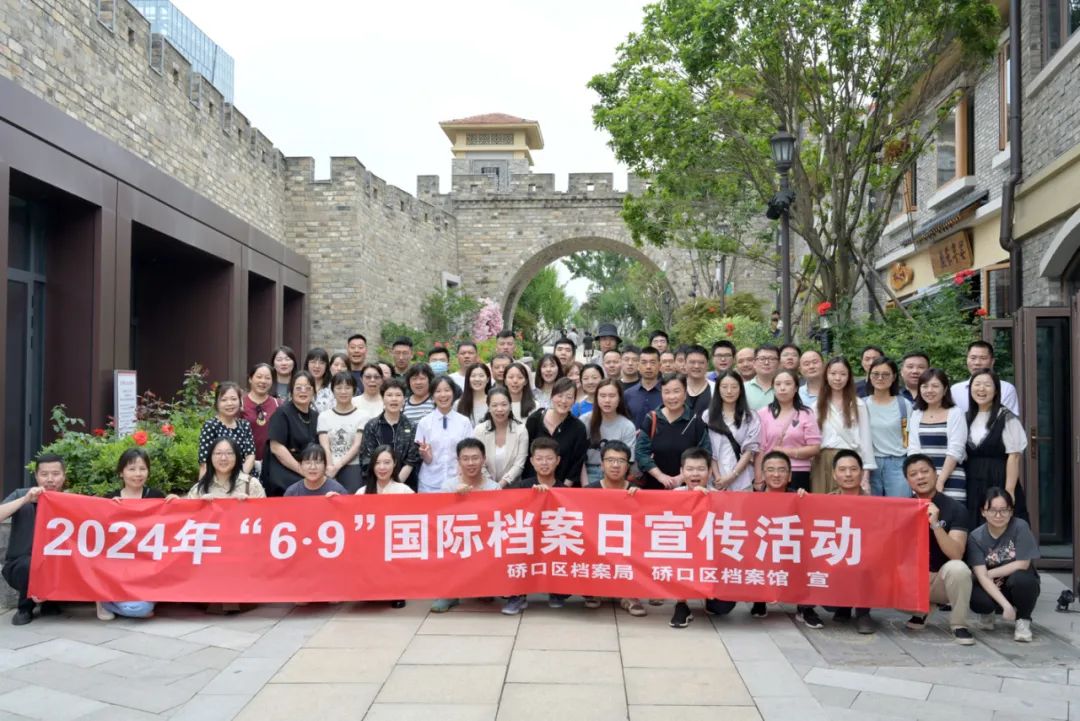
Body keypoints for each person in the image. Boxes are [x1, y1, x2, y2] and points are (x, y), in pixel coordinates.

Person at [903, 454, 975, 645]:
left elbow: (956, 553)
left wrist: (935, 524)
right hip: (915, 578)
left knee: (958, 568)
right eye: (913, 474)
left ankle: (959, 625)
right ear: (907, 481)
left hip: (942, 580)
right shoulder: (902, 509)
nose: (920, 477)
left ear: (935, 474)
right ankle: (922, 609)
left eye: (924, 471)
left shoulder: (955, 508)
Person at [670, 447, 738, 628]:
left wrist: (706, 500)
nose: (695, 473)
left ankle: (708, 597)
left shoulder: (720, 497)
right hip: (683, 552)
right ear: (682, 471)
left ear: (709, 472)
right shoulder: (674, 495)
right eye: (690, 469)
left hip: (710, 557)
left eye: (701, 469)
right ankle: (681, 605)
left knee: (722, 608)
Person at [431, 439, 500, 613]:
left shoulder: (494, 487)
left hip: (484, 537)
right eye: (465, 458)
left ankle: (484, 587)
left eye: (475, 458)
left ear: (483, 459)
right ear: (459, 461)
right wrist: (455, 498)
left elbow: (497, 519)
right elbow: (441, 518)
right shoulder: (449, 485)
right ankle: (449, 594)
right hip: (456, 537)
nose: (470, 463)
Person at [751, 451, 819, 626]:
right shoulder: (751, 499)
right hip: (763, 550)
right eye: (770, 470)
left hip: (790, 550)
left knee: (809, 556)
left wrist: (807, 501)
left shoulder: (799, 498)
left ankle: (805, 607)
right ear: (762, 475)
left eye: (781, 470)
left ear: (789, 476)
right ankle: (759, 599)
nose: (776, 474)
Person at [502, 438, 569, 614]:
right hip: (527, 540)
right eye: (539, 459)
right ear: (532, 461)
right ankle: (517, 595)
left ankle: (557, 591)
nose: (544, 463)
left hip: (553, 540)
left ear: (558, 460)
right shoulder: (522, 487)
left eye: (549, 458)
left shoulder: (566, 491)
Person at [97, 448, 163, 621]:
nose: (138, 474)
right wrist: (108, 509)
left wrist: (175, 502)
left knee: (141, 608)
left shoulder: (157, 497)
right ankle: (102, 600)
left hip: (147, 572)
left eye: (142, 469)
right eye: (131, 469)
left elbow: (171, 526)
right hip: (117, 572)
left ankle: (111, 603)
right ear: (121, 472)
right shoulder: (110, 499)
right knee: (139, 609)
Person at [967, 487, 1040, 642]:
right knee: (976, 597)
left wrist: (992, 573)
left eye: (1004, 510)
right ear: (983, 512)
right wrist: (1006, 606)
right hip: (991, 585)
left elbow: (1023, 563)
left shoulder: (1020, 526)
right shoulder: (975, 537)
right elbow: (981, 576)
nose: (998, 515)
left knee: (1024, 580)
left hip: (1015, 581)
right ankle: (988, 613)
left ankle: (1023, 620)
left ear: (1011, 511)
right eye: (992, 510)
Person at [2, 453, 67, 625]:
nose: (50, 479)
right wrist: (25, 500)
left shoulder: (70, 500)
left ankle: (50, 601)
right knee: (30, 563)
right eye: (44, 474)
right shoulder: (21, 494)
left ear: (64, 476)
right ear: (37, 476)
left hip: (58, 564)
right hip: (20, 566)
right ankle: (25, 607)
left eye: (55, 474)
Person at [585, 441, 643, 617]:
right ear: (602, 464)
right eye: (610, 460)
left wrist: (641, 500)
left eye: (621, 461)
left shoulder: (638, 492)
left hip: (627, 546)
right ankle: (594, 589)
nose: (615, 465)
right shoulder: (588, 492)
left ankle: (630, 596)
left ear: (628, 466)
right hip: (598, 545)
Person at [965, 369, 1028, 523]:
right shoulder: (965, 417)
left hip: (998, 478)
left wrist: (1009, 491)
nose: (981, 389)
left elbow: (1014, 456)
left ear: (996, 391)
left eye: (987, 385)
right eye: (977, 384)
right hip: (971, 480)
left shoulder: (1006, 417)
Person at [825, 450, 876, 634]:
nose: (848, 474)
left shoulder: (876, 504)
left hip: (864, 559)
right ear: (834, 474)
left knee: (865, 562)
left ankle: (863, 612)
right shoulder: (825, 502)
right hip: (834, 557)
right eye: (842, 470)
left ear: (861, 473)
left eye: (853, 469)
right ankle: (843, 605)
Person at [812, 358, 876, 494]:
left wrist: (865, 474)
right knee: (822, 502)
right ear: (826, 376)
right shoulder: (816, 406)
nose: (837, 378)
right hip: (823, 461)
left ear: (849, 377)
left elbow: (865, 439)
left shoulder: (858, 405)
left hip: (849, 461)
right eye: (833, 373)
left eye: (843, 374)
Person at [636, 374, 710, 489]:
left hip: (688, 488)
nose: (672, 397)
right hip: (654, 487)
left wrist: (681, 478)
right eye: (666, 392)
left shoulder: (695, 421)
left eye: (676, 391)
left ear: (685, 394)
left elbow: (705, 454)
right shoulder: (652, 419)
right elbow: (641, 453)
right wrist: (661, 476)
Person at [908, 368, 968, 505]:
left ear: (945, 389)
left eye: (935, 386)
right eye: (925, 386)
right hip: (922, 481)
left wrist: (939, 481)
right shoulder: (916, 414)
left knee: (951, 516)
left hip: (951, 479)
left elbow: (956, 450)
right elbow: (913, 450)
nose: (929, 390)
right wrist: (919, 478)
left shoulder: (955, 413)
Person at [755, 370, 821, 493]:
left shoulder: (806, 413)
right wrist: (759, 477)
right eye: (778, 384)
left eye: (788, 383)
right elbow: (760, 449)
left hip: (799, 471)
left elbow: (815, 447)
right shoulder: (763, 413)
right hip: (771, 471)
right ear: (773, 388)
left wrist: (787, 451)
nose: (782, 388)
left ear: (796, 388)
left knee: (797, 505)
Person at [263, 372, 320, 496]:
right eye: (298, 388)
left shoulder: (316, 416)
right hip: (284, 476)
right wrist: (301, 470)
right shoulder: (282, 413)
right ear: (291, 391)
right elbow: (276, 448)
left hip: (309, 474)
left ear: (313, 392)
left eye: (308, 388)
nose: (303, 391)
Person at [358, 379, 421, 489]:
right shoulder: (372, 426)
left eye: (398, 395)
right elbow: (367, 459)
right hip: (376, 485)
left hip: (405, 485)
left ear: (404, 399)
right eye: (389, 395)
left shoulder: (412, 427)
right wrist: (382, 485)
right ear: (383, 398)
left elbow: (411, 461)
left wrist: (395, 486)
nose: (394, 399)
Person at [523, 378, 588, 485]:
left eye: (569, 397)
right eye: (560, 395)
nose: (563, 401)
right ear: (552, 396)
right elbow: (525, 454)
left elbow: (577, 462)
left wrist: (563, 488)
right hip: (533, 484)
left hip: (563, 486)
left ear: (574, 400)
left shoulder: (578, 428)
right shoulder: (535, 420)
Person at [703, 370, 761, 491]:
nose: (729, 391)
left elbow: (749, 451)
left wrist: (732, 476)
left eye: (734, 387)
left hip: (743, 480)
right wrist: (718, 477)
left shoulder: (750, 417)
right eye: (724, 387)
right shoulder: (708, 416)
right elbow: (708, 449)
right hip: (715, 481)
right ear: (718, 389)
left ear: (741, 389)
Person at [416, 376, 474, 493]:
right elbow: (426, 459)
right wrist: (425, 454)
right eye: (438, 391)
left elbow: (468, 452)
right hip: (429, 484)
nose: (443, 395)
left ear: (453, 393)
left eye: (447, 390)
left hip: (457, 484)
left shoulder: (464, 422)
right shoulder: (424, 422)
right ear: (432, 396)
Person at [865, 357, 913, 498]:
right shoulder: (861, 405)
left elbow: (910, 436)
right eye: (876, 374)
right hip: (870, 465)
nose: (880, 378)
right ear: (869, 376)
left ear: (894, 377)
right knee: (871, 509)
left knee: (899, 508)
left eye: (886, 374)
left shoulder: (904, 404)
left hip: (898, 464)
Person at [580, 378, 637, 485]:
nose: (607, 400)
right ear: (596, 398)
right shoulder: (584, 421)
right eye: (602, 396)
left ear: (619, 398)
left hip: (616, 474)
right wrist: (586, 485)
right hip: (588, 472)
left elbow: (627, 461)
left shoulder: (627, 426)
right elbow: (578, 458)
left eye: (612, 396)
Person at [316, 372, 365, 493]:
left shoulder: (363, 416)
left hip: (353, 467)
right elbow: (325, 445)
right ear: (332, 390)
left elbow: (357, 446)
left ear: (354, 390)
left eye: (347, 388)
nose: (343, 392)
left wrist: (337, 467)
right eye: (339, 388)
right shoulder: (324, 416)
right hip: (329, 466)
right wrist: (330, 467)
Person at [472, 387, 529, 488]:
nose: (499, 409)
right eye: (494, 405)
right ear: (489, 408)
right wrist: (491, 485)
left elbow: (519, 464)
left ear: (510, 406)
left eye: (504, 404)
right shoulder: (479, 430)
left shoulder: (521, 430)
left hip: (514, 488)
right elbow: (478, 461)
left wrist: (501, 484)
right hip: (485, 487)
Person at [198, 381, 257, 478]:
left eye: (233, 399)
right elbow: (204, 462)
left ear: (240, 401)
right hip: (218, 479)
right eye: (224, 400)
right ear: (217, 403)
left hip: (244, 477)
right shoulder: (210, 426)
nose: (229, 403)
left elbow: (250, 455)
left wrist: (239, 478)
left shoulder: (244, 425)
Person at [951, 341, 1019, 415]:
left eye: (983, 358)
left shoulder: (1006, 389)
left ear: (992, 361)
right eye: (973, 358)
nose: (977, 363)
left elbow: (1008, 419)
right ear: (967, 360)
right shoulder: (955, 390)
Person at [189, 437, 267, 499]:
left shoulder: (252, 485)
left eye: (229, 453)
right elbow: (187, 513)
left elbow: (265, 512)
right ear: (210, 458)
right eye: (218, 453)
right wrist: (200, 506)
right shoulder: (199, 489)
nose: (223, 458)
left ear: (237, 457)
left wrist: (251, 505)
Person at [241, 363, 281, 479]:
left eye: (267, 378)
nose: (263, 381)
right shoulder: (240, 403)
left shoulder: (278, 404)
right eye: (259, 377)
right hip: (245, 462)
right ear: (250, 379)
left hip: (272, 464)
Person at [623, 347, 662, 428]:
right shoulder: (627, 394)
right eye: (644, 362)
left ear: (659, 366)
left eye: (652, 362)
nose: (648, 367)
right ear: (638, 366)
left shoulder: (667, 393)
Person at [745, 345, 780, 410]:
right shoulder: (743, 388)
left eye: (772, 359)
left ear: (779, 364)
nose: (766, 363)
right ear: (754, 363)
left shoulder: (787, 387)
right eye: (762, 359)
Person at [683, 345, 714, 420]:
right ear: (685, 364)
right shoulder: (676, 387)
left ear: (707, 365)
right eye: (692, 362)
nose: (696, 366)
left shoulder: (715, 389)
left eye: (701, 362)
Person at [305, 347, 333, 412]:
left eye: (321, 363)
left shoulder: (332, 387)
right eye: (313, 362)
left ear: (326, 366)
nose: (317, 366)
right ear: (307, 364)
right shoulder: (300, 385)